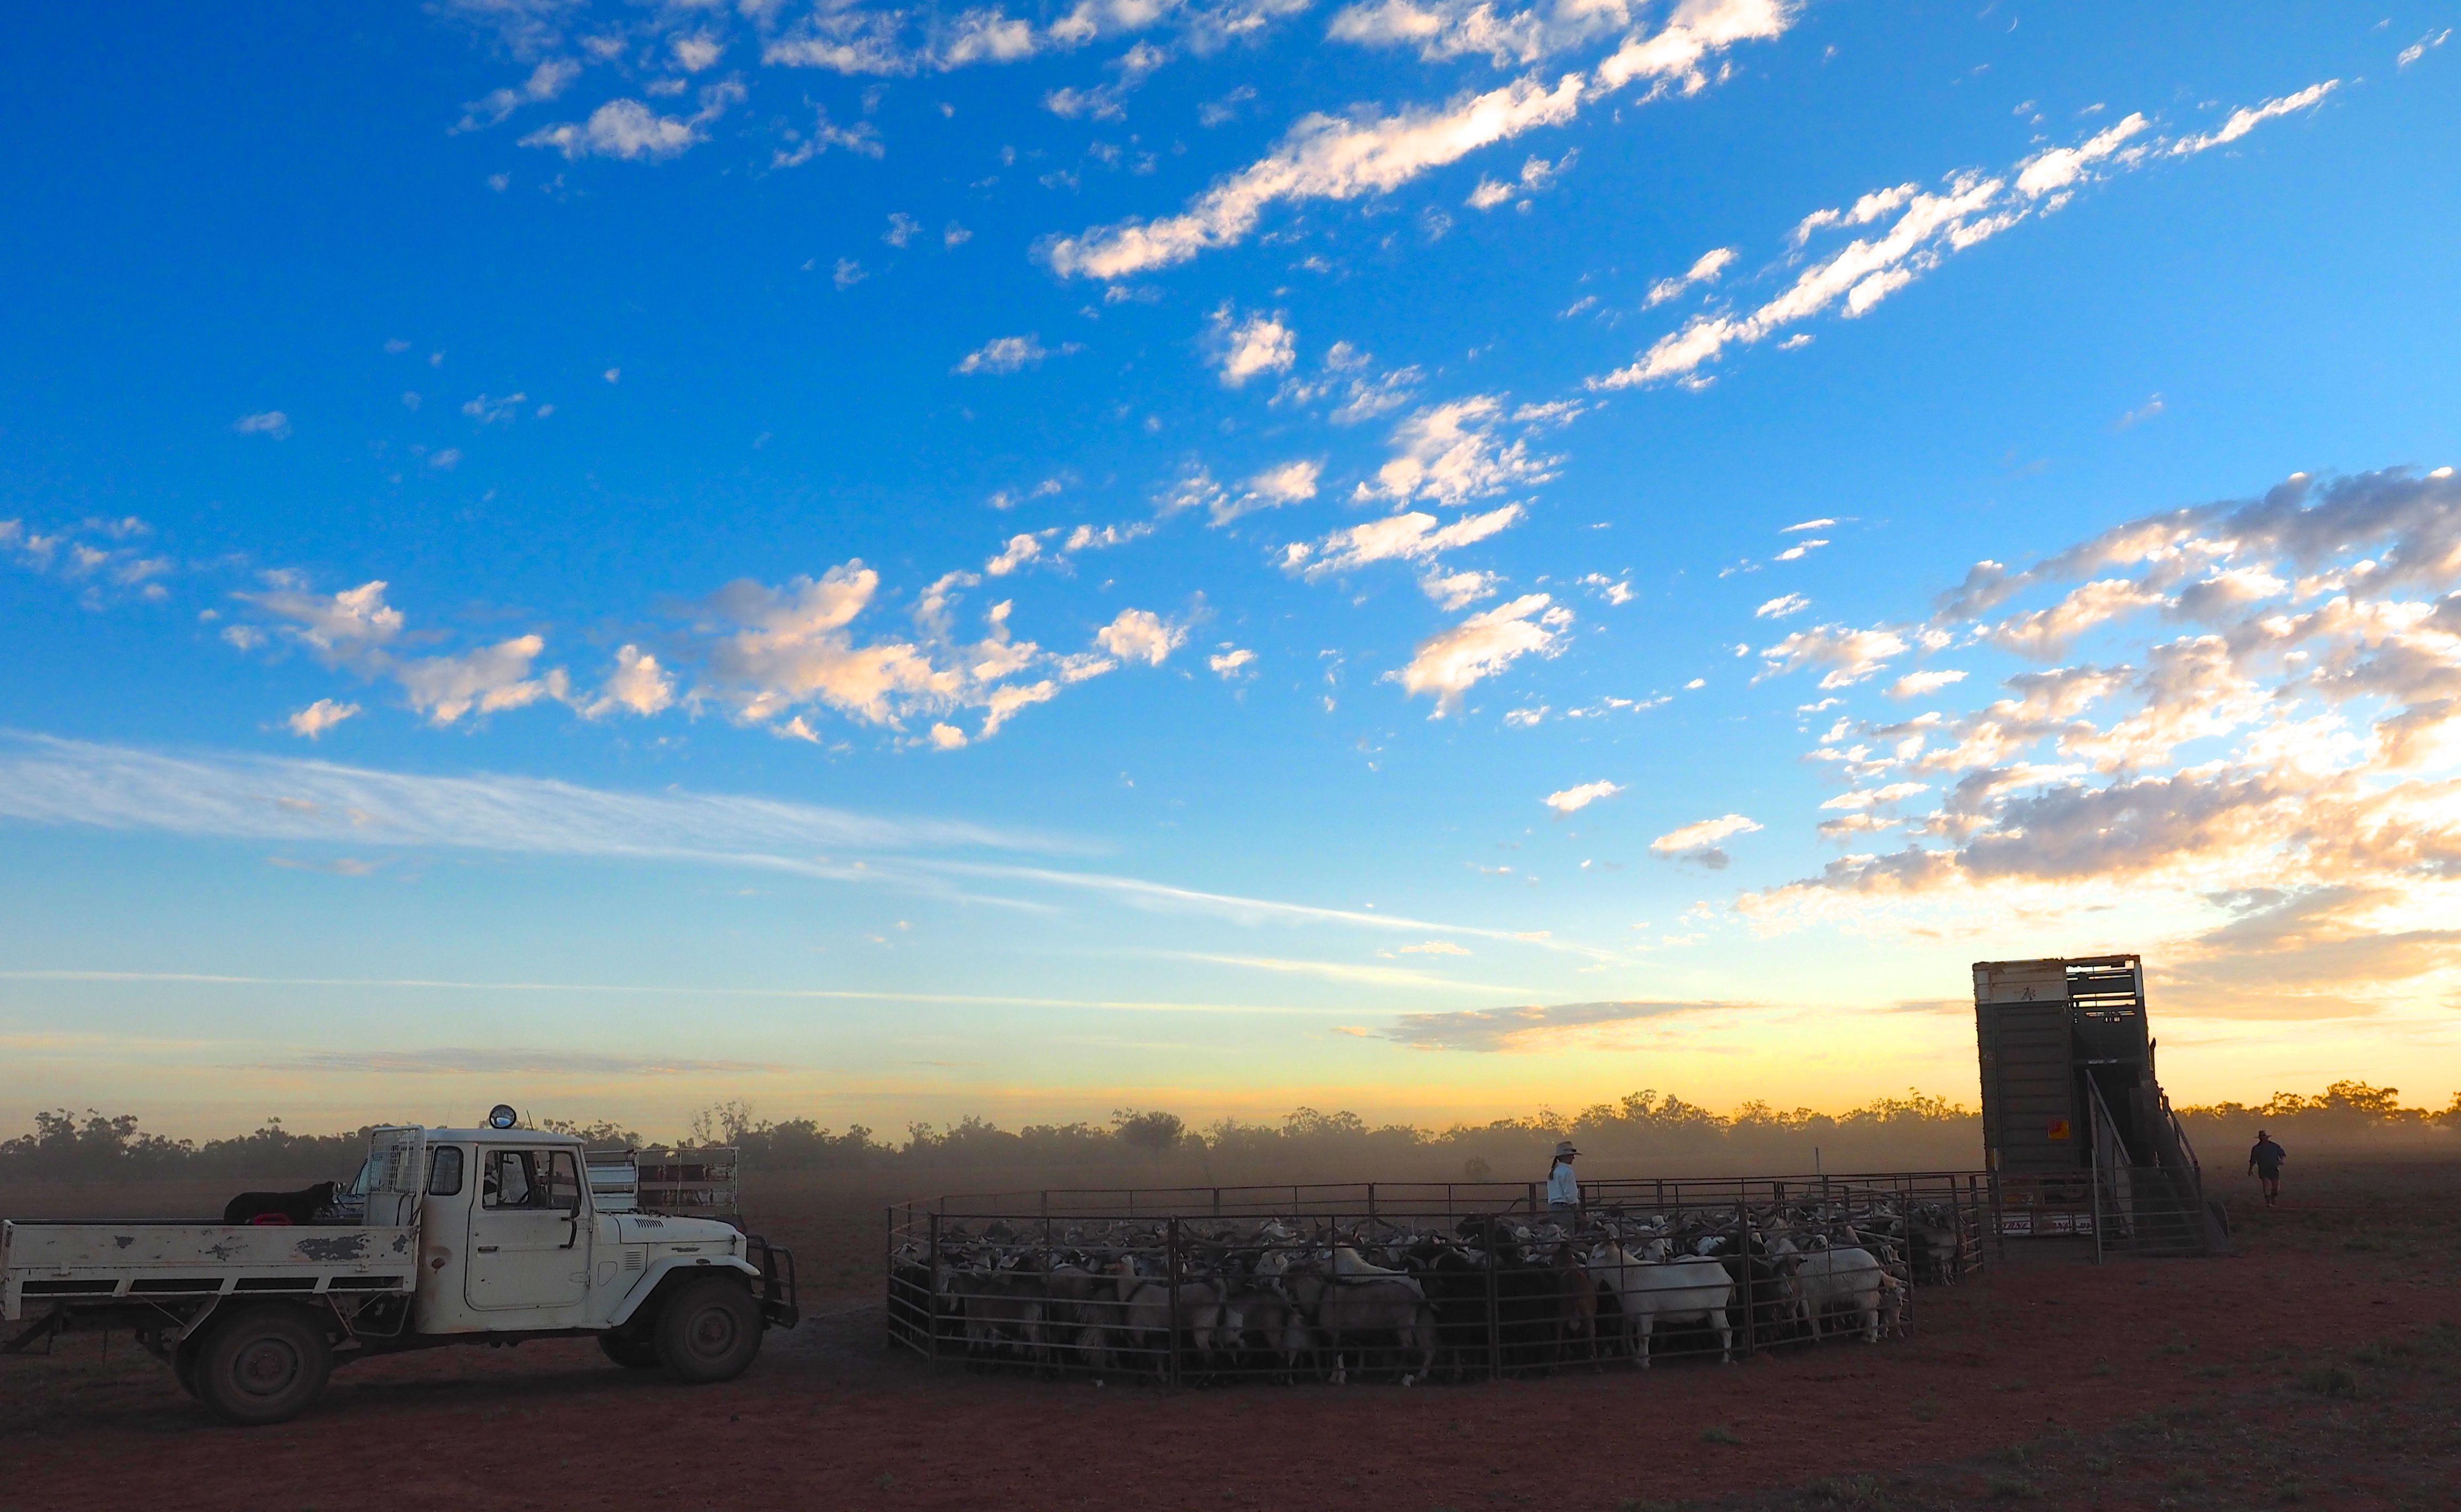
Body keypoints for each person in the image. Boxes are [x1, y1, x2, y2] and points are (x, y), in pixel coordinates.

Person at [2248, 1129, 2287, 1207]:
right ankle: (2268, 1202)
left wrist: (2282, 1160)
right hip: (2263, 1168)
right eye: (2262, 1137)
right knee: (2266, 1184)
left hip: (2274, 1167)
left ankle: (2273, 1198)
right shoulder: (2256, 1149)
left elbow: (2282, 1154)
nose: (2263, 1138)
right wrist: (2250, 1169)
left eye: (2264, 1136)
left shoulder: (2274, 1146)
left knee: (2276, 1187)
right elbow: (2253, 1160)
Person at [1546, 1140, 1581, 1222]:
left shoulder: (1554, 1171)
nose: (1573, 1158)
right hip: (1564, 1210)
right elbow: (1571, 1196)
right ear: (1564, 1157)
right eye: (1570, 1155)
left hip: (1553, 1209)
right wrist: (1578, 1214)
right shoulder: (1567, 1172)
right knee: (1568, 1232)